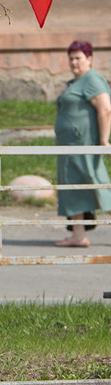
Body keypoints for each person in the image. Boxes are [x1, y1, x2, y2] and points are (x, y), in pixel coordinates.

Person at [54, 40, 111, 247]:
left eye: (78, 58)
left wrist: (104, 141)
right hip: (70, 148)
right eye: (71, 58)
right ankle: (78, 236)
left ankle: (79, 235)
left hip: (84, 146)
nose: (74, 62)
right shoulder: (78, 82)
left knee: (99, 188)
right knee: (74, 189)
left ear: (89, 59)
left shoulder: (92, 79)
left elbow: (105, 109)